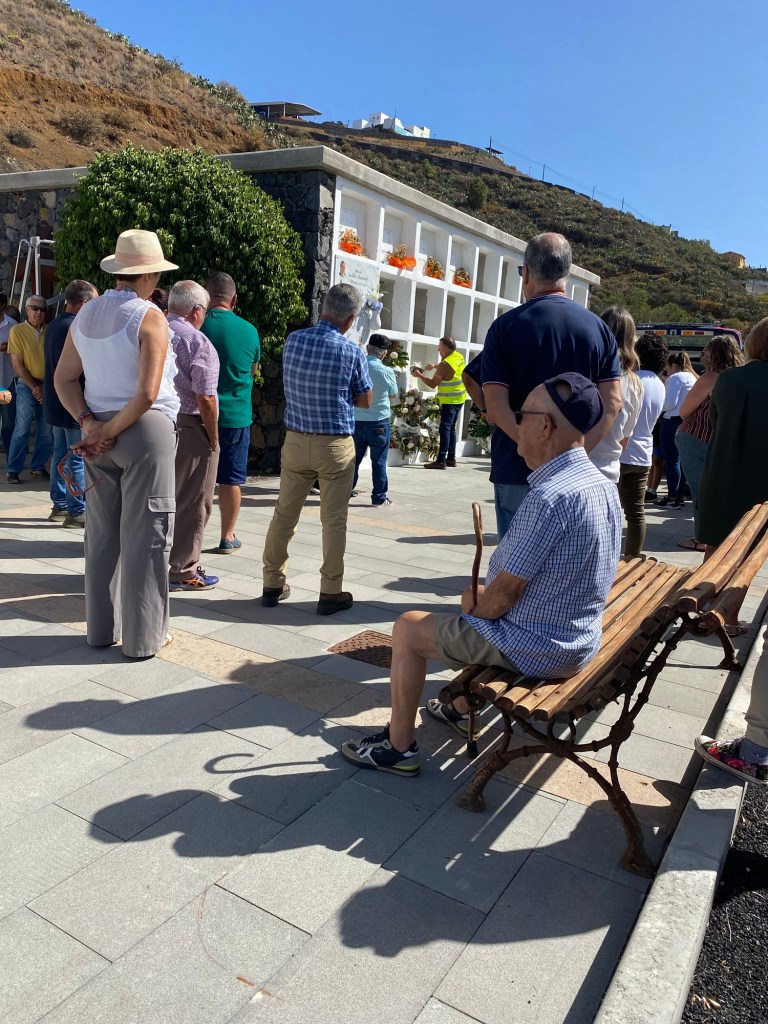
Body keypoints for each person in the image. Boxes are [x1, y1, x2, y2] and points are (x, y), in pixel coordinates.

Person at [341, 373, 621, 775]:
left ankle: (398, 746)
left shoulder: (550, 497)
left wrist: (476, 613)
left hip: (541, 646)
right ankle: (458, 708)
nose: (515, 422)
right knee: (474, 597)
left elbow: (505, 594)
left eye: (523, 414)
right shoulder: (600, 484)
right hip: (578, 636)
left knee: (408, 628)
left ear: (545, 427)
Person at [54, 229, 180, 659]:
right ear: (149, 275)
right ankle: (143, 639)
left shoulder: (86, 314)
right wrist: (107, 431)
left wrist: (90, 424)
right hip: (143, 430)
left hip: (97, 428)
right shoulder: (150, 316)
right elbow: (146, 394)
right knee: (148, 535)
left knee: (102, 534)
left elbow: (63, 379)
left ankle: (100, 631)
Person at [481, 233, 621, 538]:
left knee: (517, 561)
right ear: (566, 273)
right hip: (578, 475)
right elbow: (613, 403)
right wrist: (572, 453)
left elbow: (495, 406)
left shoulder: (505, 327)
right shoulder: (599, 329)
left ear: (527, 273)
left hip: (518, 468)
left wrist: (534, 450)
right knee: (569, 559)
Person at [261, 284, 372, 615]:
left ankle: (272, 583)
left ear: (324, 309)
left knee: (284, 514)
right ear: (351, 319)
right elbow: (365, 399)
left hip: (296, 439)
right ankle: (330, 591)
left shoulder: (294, 341)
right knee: (333, 520)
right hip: (334, 444)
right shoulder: (352, 351)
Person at [696, 318, 768, 635]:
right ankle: (729, 616)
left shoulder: (729, 379)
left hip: (722, 471)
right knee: (748, 553)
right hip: (761, 478)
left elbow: (715, 418)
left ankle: (701, 606)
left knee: (714, 544)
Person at [166, 281, 221, 592]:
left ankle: (153, 561)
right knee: (194, 499)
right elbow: (206, 397)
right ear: (197, 311)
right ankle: (183, 569)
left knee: (158, 495)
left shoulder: (152, 327)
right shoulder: (197, 342)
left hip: (152, 419)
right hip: (190, 424)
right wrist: (213, 437)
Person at [203, 272, 261, 554]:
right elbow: (252, 370)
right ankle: (227, 536)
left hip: (198, 415)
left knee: (194, 480)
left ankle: (188, 536)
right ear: (234, 299)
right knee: (231, 480)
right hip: (236, 416)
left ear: (205, 297)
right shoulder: (249, 330)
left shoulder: (195, 325)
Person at [675, 336, 744, 551]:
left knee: (700, 491)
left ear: (715, 354)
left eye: (706, 350)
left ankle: (701, 538)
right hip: (723, 441)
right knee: (721, 491)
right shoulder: (739, 378)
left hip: (696, 437)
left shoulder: (710, 377)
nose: (702, 354)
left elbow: (684, 411)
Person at [43, 279, 98, 527]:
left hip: (56, 402)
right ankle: (76, 511)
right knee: (76, 456)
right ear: (85, 303)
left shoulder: (55, 324)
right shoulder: (76, 327)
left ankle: (60, 505)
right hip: (73, 403)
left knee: (60, 454)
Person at [618, 332, 667, 558]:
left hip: (621, 451)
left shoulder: (631, 379)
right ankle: (632, 557)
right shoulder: (660, 384)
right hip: (643, 454)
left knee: (609, 512)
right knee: (636, 513)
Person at [589, 306, 642, 484]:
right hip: (608, 472)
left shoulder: (586, 371)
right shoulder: (634, 384)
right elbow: (625, 438)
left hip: (574, 470)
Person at [5, 294, 52, 484]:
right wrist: (35, 388)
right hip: (26, 385)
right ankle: (13, 469)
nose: (39, 313)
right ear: (26, 310)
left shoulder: (50, 330)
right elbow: (18, 365)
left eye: (43, 309)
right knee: (22, 428)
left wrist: (44, 387)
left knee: (46, 430)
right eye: (35, 308)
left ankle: (38, 467)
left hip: (47, 385)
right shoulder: (17, 331)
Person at [352, 332, 398, 506]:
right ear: (384, 353)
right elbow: (394, 396)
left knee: (352, 461)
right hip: (379, 421)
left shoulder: (356, 366)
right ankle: (379, 497)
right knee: (379, 462)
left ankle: (345, 491)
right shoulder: (387, 371)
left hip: (356, 420)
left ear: (367, 347)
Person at [412, 336, 467, 469]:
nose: (438, 349)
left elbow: (432, 384)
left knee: (445, 429)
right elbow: (448, 367)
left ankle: (441, 461)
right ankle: (451, 459)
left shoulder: (445, 364)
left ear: (446, 348)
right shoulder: (458, 356)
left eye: (440, 347)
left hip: (449, 401)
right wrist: (434, 366)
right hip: (459, 398)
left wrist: (419, 375)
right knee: (451, 429)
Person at [655, 350, 697, 508]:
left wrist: (658, 406)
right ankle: (678, 495)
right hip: (686, 420)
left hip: (671, 421)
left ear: (673, 365)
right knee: (680, 460)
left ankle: (673, 497)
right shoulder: (692, 377)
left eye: (667, 367)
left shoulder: (675, 378)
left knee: (672, 460)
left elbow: (669, 403)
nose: (666, 370)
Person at [0, 291, 18, 456]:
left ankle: (10, 457)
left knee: (8, 423)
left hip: (5, 380)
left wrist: (9, 348)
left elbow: (19, 350)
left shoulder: (12, 325)